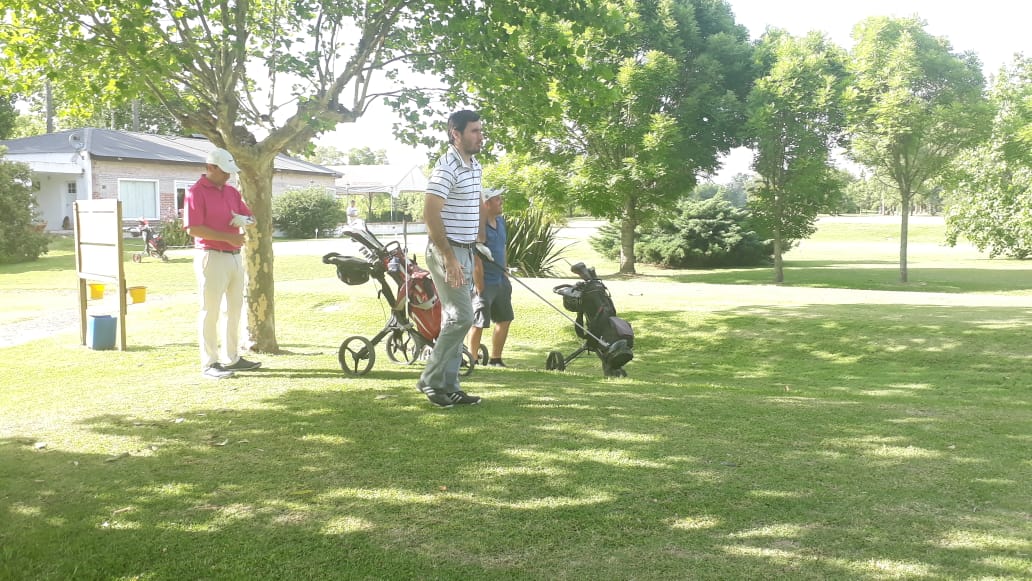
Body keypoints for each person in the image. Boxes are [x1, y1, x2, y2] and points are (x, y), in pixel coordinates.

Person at [417, 110, 485, 407]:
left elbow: (476, 201)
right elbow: (430, 213)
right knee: (463, 317)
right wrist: (449, 257)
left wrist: (478, 241)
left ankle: (449, 385)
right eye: (474, 131)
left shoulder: (475, 165)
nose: (480, 136)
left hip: (465, 250)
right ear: (455, 134)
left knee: (455, 318)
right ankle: (430, 381)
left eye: (481, 130)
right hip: (447, 251)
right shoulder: (446, 168)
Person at [182, 147, 261, 379]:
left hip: (234, 256)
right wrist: (228, 237)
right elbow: (193, 228)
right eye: (224, 171)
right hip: (211, 255)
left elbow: (251, 217)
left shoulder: (231, 192)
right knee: (211, 311)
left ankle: (232, 357)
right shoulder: (196, 192)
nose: (228, 175)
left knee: (234, 310)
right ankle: (210, 363)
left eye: (229, 172)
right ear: (210, 167)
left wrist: (245, 220)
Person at [468, 188, 513, 367]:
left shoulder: (501, 222)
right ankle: (472, 359)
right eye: (497, 199)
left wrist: (505, 270)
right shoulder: (478, 228)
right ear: (486, 204)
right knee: (478, 322)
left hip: (501, 280)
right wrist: (479, 285)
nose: (501, 201)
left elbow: (503, 247)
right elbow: (476, 258)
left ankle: (496, 359)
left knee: (505, 319)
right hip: (484, 282)